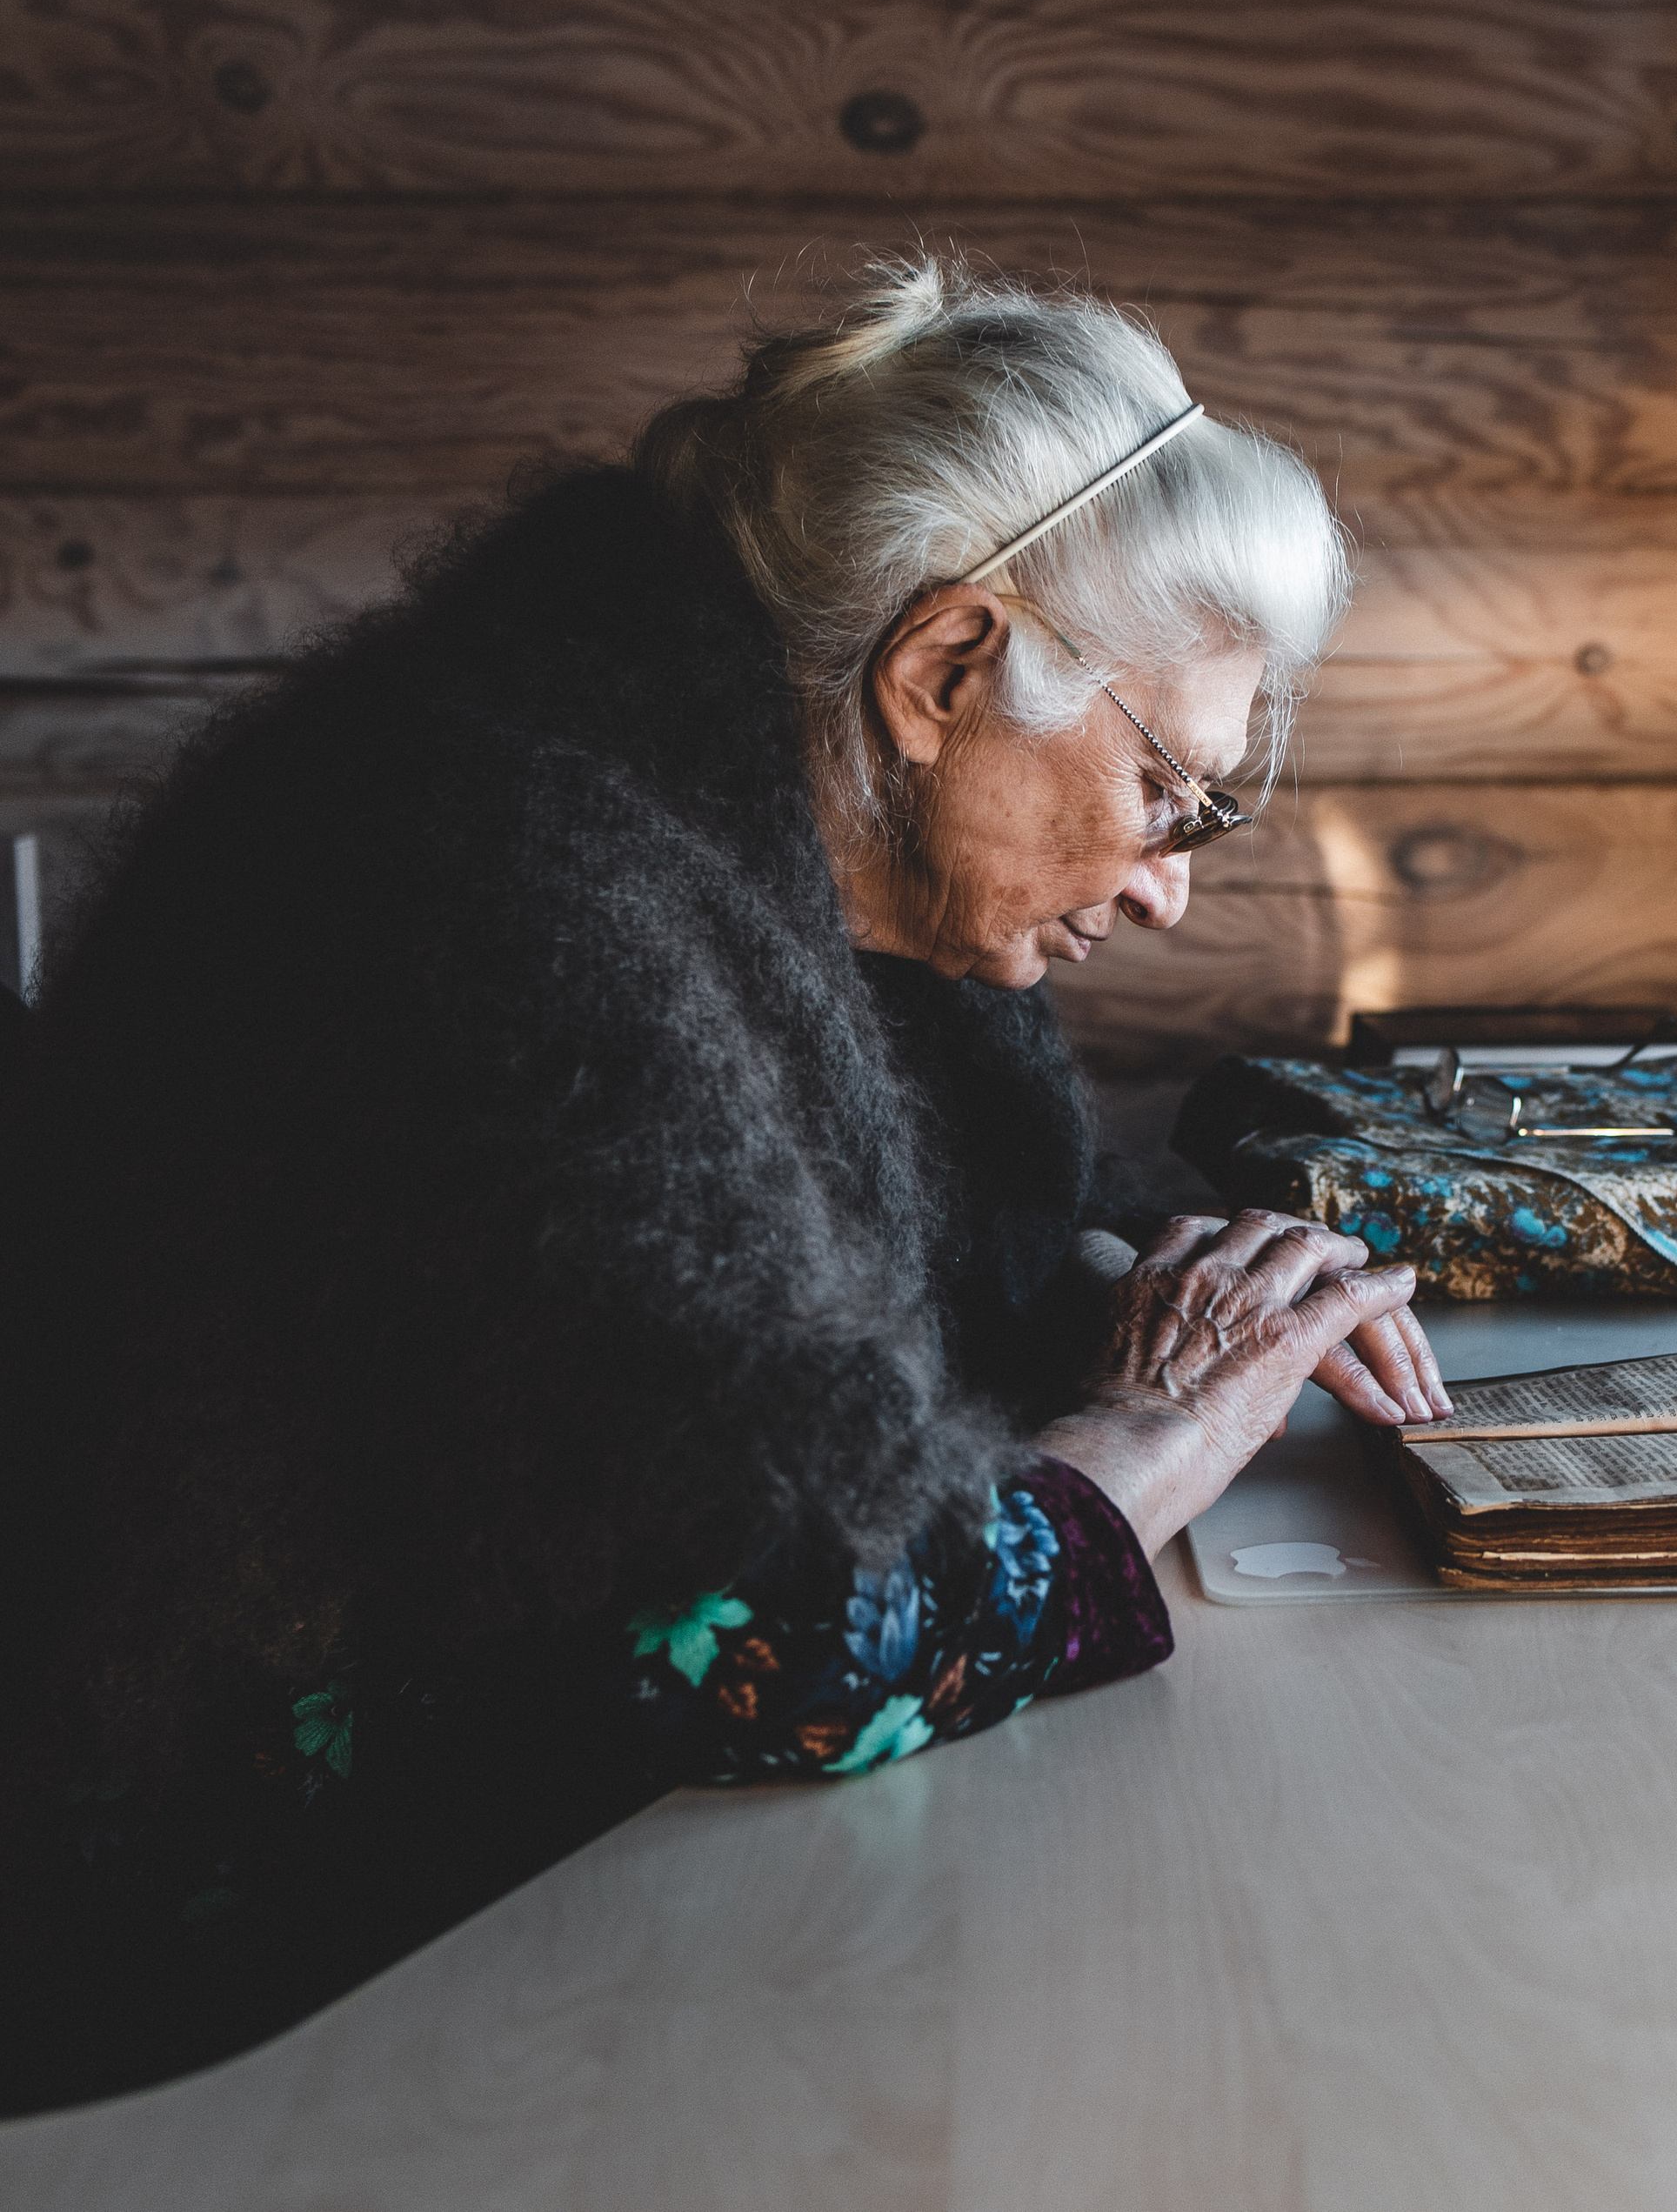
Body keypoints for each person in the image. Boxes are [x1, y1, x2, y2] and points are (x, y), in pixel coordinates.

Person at [0, 260, 1449, 2113]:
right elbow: (789, 1632)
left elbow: (877, 1295)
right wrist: (1155, 1423)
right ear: (942, 669)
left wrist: (1124, 1297)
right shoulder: (501, 884)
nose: (1172, 883)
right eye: (1170, 788)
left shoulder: (704, 805)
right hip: (277, 1984)